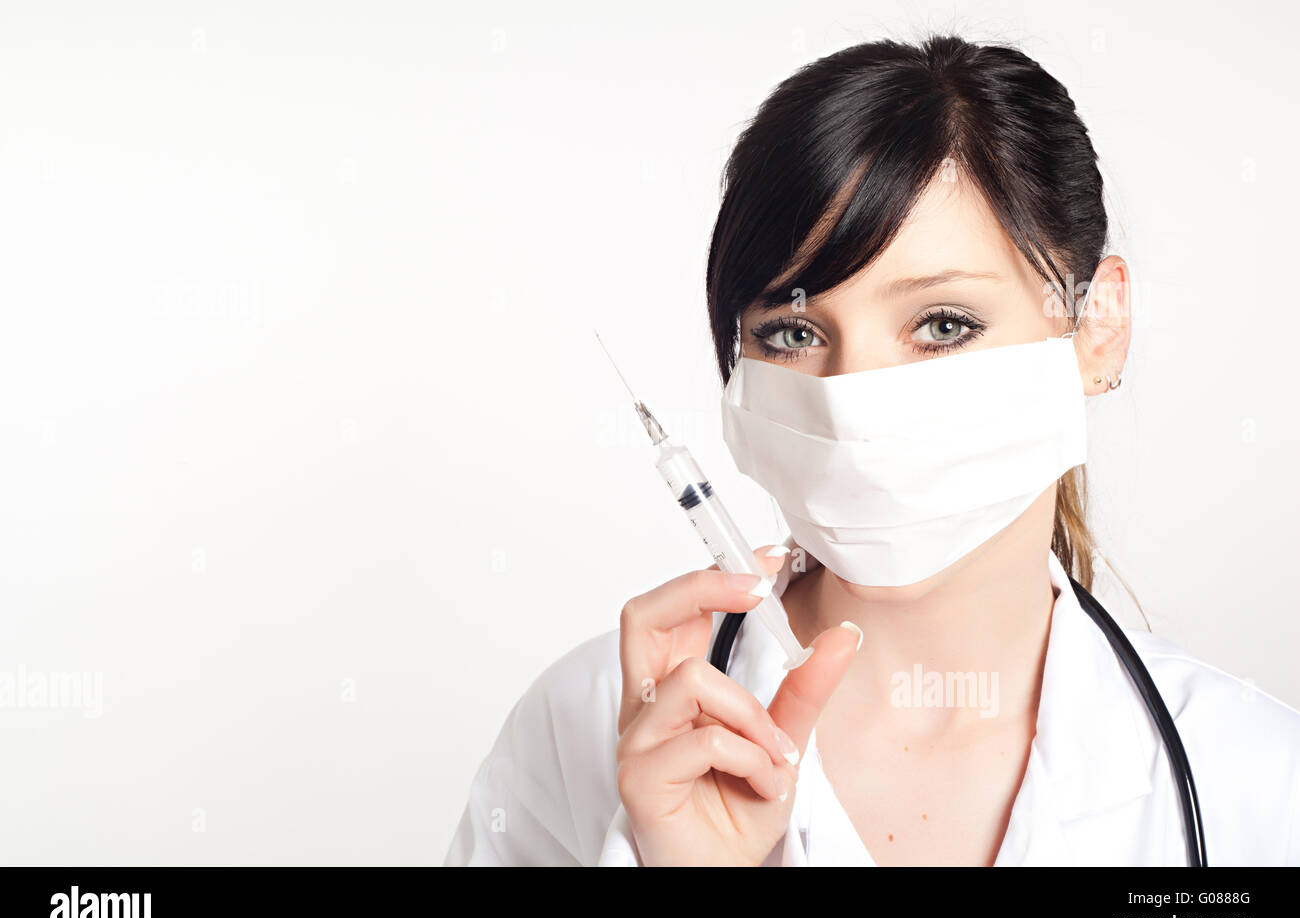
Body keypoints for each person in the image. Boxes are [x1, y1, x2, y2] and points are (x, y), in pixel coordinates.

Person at [444, 33, 1300, 866]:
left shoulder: (1254, 781)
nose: (852, 401)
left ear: (1098, 328)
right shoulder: (587, 729)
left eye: (941, 324)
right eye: (794, 330)